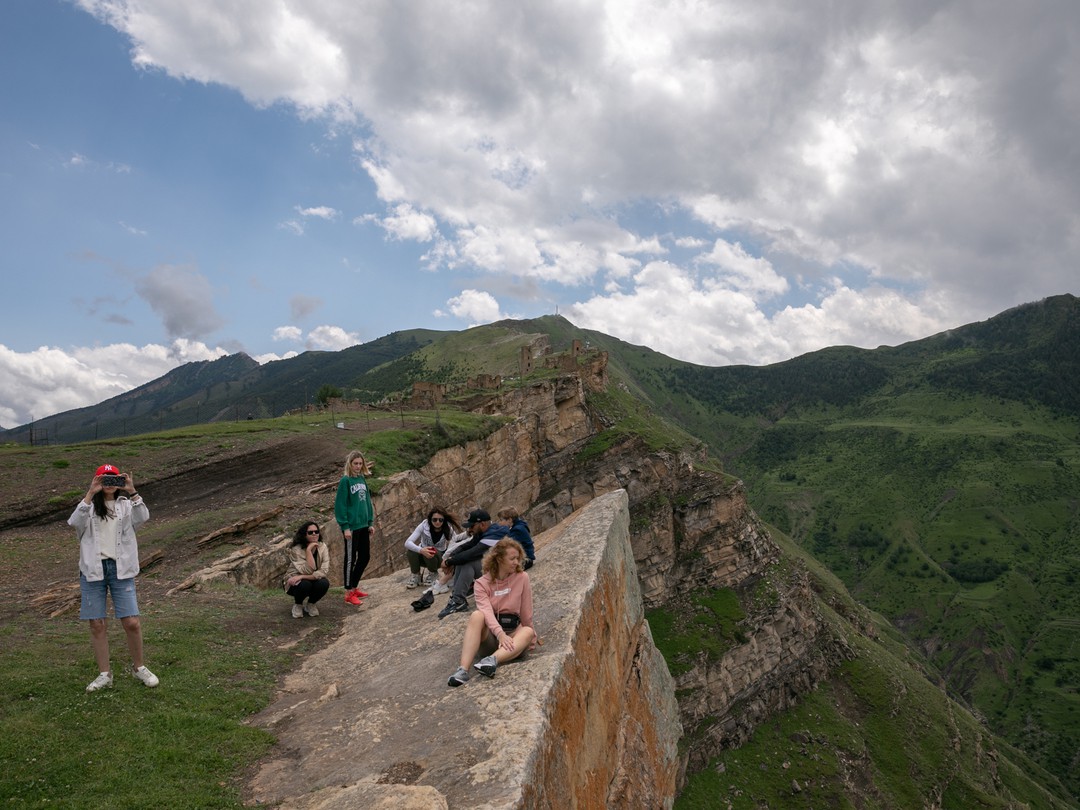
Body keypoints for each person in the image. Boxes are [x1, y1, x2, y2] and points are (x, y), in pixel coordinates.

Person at [68, 464, 159, 692]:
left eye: (113, 478)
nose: (109, 482)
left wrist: (132, 490)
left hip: (121, 569)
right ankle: (104, 673)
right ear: (97, 479)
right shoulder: (88, 508)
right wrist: (90, 493)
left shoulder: (126, 506)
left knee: (131, 622)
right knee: (97, 623)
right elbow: (74, 523)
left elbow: (143, 516)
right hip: (93, 570)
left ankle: (139, 667)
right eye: (104, 478)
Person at [448, 538, 536, 686]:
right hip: (491, 636)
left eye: (518, 558)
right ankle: (463, 670)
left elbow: (526, 611)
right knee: (477, 615)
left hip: (513, 635)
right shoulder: (481, 583)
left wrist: (531, 638)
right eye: (512, 558)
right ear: (499, 559)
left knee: (527, 631)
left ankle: (491, 661)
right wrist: (500, 634)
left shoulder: (522, 578)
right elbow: (486, 612)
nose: (516, 562)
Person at [437, 508, 508, 619]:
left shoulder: (495, 534)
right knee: (462, 561)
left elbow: (472, 553)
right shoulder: (485, 531)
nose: (469, 529)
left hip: (505, 578)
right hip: (498, 572)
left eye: (472, 526)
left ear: (482, 524)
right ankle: (457, 598)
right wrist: (451, 558)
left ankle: (458, 600)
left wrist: (449, 561)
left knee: (467, 562)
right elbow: (467, 546)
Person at [335, 450, 377, 606]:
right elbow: (340, 505)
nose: (358, 466)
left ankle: (354, 586)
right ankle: (348, 592)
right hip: (351, 527)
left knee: (365, 556)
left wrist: (370, 522)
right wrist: (345, 526)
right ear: (350, 464)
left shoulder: (361, 478)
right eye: (355, 463)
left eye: (360, 463)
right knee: (350, 559)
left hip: (363, 525)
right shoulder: (345, 481)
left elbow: (366, 501)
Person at [403, 507, 460, 589]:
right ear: (430, 519)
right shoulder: (423, 526)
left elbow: (456, 542)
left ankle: (433, 573)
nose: (437, 522)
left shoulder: (448, 528)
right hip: (423, 556)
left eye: (441, 520)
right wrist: (421, 550)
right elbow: (408, 542)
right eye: (435, 519)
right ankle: (416, 575)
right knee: (411, 551)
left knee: (431, 550)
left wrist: (450, 559)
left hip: (438, 558)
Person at [283, 521, 331, 618]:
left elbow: (324, 571)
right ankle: (298, 604)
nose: (314, 534)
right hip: (293, 582)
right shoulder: (296, 549)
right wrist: (309, 550)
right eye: (310, 532)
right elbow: (307, 570)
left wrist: (301, 576)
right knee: (305, 584)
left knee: (324, 583)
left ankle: (311, 604)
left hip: (305, 578)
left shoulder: (323, 547)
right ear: (304, 534)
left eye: (316, 531)